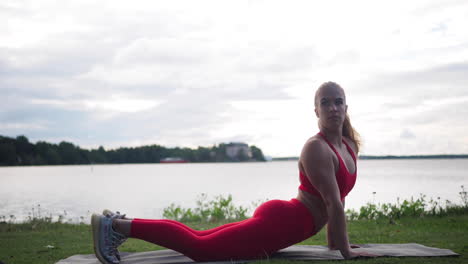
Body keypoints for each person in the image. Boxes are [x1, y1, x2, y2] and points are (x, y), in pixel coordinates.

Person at [91, 81, 378, 264]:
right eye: (325, 103)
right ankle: (116, 226)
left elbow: (337, 199)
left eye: (338, 101)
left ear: (346, 107)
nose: (333, 107)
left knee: (199, 237)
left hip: (288, 219)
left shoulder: (349, 145)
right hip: (286, 223)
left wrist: (334, 243)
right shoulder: (316, 148)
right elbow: (332, 203)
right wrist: (346, 253)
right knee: (200, 250)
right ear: (315, 111)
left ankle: (118, 223)